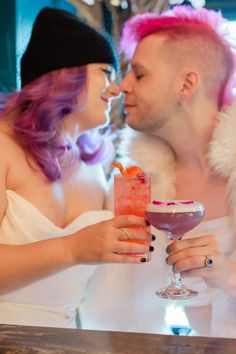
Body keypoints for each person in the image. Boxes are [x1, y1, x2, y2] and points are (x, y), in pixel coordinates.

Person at [80, 5, 236, 338]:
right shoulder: (137, 185)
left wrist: (227, 275)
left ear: (187, 83)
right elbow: (116, 309)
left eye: (139, 73)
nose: (122, 87)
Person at [0, 7, 153, 328]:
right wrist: (72, 248)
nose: (116, 89)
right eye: (106, 73)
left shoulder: (94, 168)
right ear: (64, 74)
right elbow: (76, 250)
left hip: (68, 341)